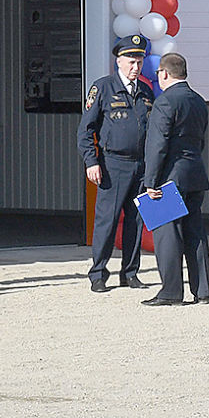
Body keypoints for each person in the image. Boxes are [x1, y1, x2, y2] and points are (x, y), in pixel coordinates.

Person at [79, 34, 155, 293]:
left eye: (140, 62)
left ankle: (130, 272)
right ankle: (98, 273)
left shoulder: (145, 91)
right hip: (113, 164)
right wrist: (91, 161)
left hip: (141, 166)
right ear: (119, 61)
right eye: (131, 61)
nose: (136, 67)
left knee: (135, 220)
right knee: (107, 221)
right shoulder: (103, 88)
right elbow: (86, 130)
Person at [141, 52, 209, 305]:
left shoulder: (165, 101)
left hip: (170, 176)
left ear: (164, 73)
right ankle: (202, 290)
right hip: (194, 173)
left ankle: (171, 291)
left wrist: (150, 181)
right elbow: (200, 139)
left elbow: (157, 145)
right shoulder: (198, 100)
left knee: (167, 234)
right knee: (195, 233)